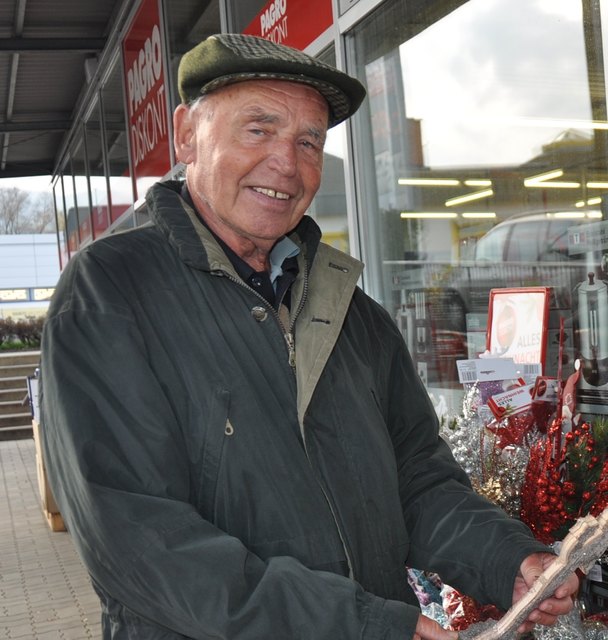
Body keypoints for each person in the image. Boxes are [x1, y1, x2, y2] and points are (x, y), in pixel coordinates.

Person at [40, 33, 578, 640]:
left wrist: (507, 560)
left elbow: (418, 481)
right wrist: (355, 625)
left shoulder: (353, 313)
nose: (287, 164)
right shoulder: (111, 293)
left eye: (309, 142)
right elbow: (138, 539)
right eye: (258, 130)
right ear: (187, 134)